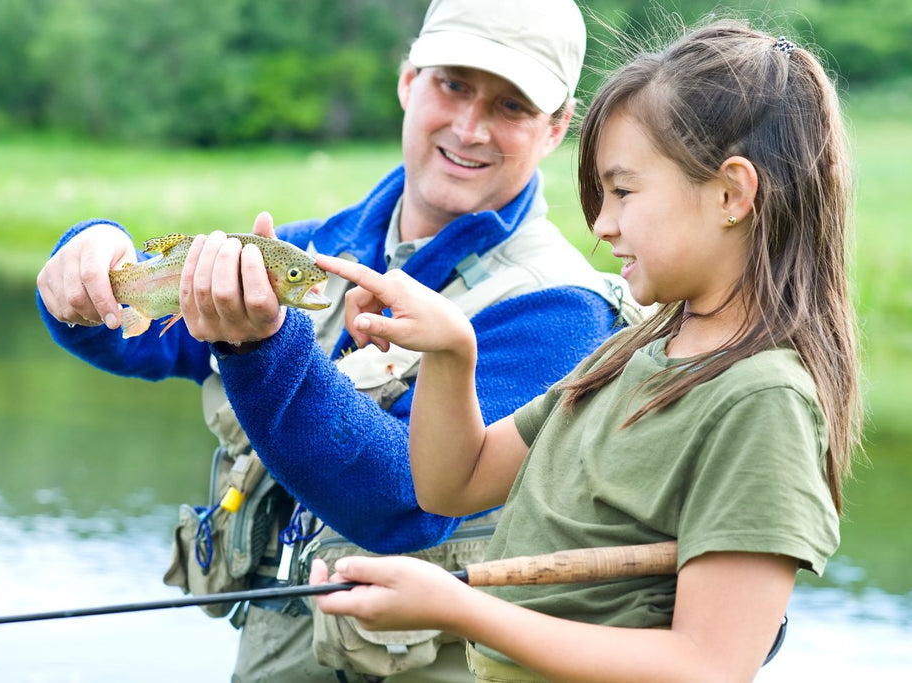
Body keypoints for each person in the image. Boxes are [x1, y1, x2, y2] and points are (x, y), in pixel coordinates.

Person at [35, 0, 642, 679]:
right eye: (454, 85)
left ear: (556, 127)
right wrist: (86, 263)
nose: (470, 127)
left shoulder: (560, 308)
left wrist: (263, 346)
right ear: (408, 80)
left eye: (511, 107)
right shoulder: (312, 248)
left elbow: (406, 498)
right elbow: (136, 339)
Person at [309, 20, 863, 682]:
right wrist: (451, 351)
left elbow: (708, 664)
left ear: (731, 194)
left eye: (623, 191)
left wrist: (462, 609)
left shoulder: (763, 400)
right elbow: (452, 482)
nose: (601, 224)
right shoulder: (635, 349)